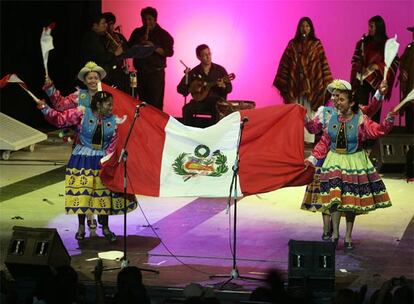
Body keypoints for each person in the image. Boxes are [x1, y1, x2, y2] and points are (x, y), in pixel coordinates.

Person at [304, 79, 395, 250]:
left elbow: (377, 128)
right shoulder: (329, 115)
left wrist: (387, 117)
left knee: (350, 200)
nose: (336, 100)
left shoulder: (360, 117)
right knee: (334, 198)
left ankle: (348, 235)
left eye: (340, 97)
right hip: (334, 161)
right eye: (334, 96)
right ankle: (334, 233)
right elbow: (322, 139)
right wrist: (312, 159)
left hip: (353, 161)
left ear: (350, 101)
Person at [35, 91, 137, 242]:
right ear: (98, 104)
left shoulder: (114, 121)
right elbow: (59, 120)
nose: (111, 107)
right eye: (109, 104)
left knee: (102, 195)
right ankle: (81, 226)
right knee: (83, 195)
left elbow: (114, 144)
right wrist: (44, 108)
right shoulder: (82, 113)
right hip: (81, 159)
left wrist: (108, 160)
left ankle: (106, 227)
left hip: (101, 160)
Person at [273, 16, 332, 143]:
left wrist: (327, 82)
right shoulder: (292, 44)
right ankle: (295, 139)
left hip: (312, 85)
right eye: (302, 26)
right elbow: (285, 64)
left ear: (311, 28)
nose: (304, 28)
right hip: (296, 86)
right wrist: (287, 83)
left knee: (309, 113)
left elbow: (323, 64)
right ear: (299, 28)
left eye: (307, 26)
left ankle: (308, 141)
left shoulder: (317, 44)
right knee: (295, 111)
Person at [350, 15, 399, 123]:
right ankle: (360, 133)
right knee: (360, 108)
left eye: (372, 26)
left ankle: (373, 136)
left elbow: (394, 62)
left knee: (376, 108)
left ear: (379, 27)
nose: (369, 29)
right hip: (363, 80)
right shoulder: (363, 42)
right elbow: (355, 60)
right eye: (369, 26)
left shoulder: (387, 44)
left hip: (378, 81)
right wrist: (359, 67)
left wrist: (378, 66)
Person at [128, 7, 174, 110]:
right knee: (141, 103)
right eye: (144, 19)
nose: (147, 22)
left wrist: (153, 47)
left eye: (149, 19)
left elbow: (169, 52)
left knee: (155, 105)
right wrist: (140, 42)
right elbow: (129, 48)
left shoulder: (164, 35)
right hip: (141, 73)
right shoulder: (137, 32)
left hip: (155, 75)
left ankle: (155, 126)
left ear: (155, 19)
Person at [177, 44, 233, 127]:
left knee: (217, 110)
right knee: (187, 109)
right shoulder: (194, 72)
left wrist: (223, 85)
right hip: (199, 102)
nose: (208, 57)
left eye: (209, 54)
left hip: (216, 102)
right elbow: (180, 89)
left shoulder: (220, 70)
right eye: (204, 55)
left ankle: (214, 135)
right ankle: (190, 134)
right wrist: (189, 83)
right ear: (199, 57)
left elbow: (229, 88)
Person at [80, 14, 125, 90]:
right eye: (103, 23)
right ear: (95, 25)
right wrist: (115, 53)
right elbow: (101, 58)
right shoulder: (92, 39)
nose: (106, 26)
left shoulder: (95, 37)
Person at [399, 26, 414, 182]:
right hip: (411, 99)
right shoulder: (410, 48)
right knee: (410, 134)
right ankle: (409, 169)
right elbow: (403, 65)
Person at [102, 12, 130, 93]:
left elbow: (128, 49)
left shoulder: (119, 36)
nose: (111, 27)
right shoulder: (101, 38)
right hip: (108, 73)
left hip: (120, 72)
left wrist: (121, 46)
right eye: (108, 24)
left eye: (112, 24)